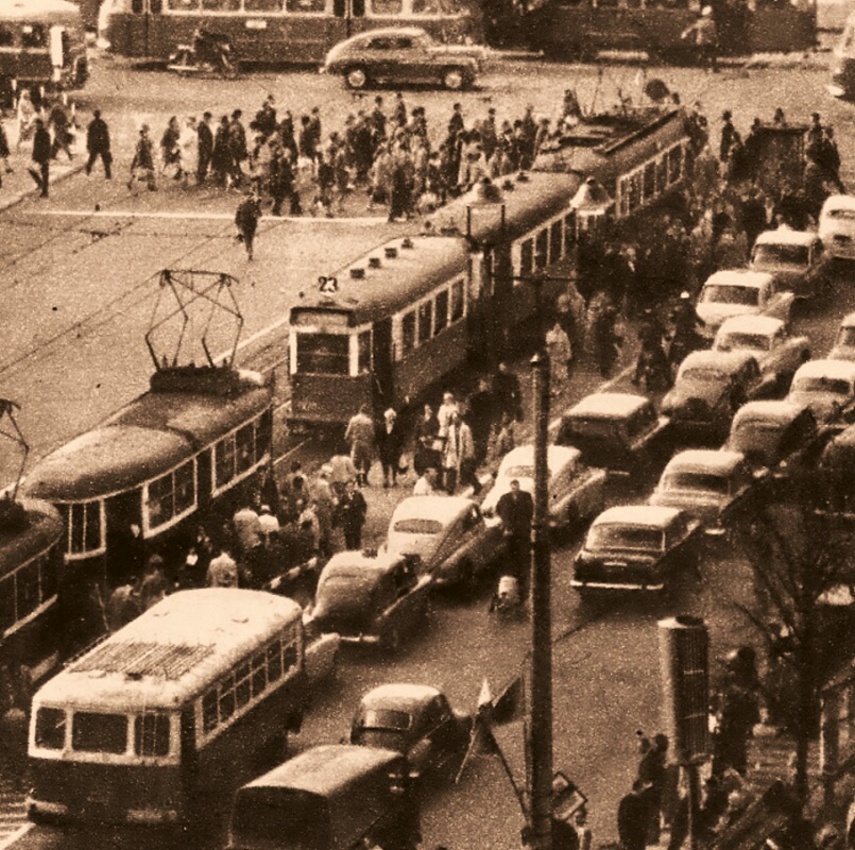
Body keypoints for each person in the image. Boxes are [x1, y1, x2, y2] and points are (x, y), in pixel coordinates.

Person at [496, 479, 533, 591]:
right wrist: (506, 523)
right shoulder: (504, 498)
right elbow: (499, 510)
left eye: (516, 487)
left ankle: (522, 575)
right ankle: (513, 573)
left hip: (522, 529)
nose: (514, 489)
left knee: (523, 551)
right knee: (510, 552)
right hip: (510, 530)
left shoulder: (526, 496)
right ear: (510, 487)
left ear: (519, 487)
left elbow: (530, 510)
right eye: (513, 487)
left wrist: (525, 522)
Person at [345, 404, 376, 487]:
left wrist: (350, 440)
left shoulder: (353, 420)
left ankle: (358, 479)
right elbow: (372, 434)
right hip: (366, 443)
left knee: (356, 462)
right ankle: (365, 478)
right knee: (367, 461)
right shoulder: (369, 421)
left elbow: (347, 434)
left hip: (356, 443)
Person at [681, 6, 718, 72]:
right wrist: (715, 39)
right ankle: (712, 68)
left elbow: (691, 28)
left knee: (706, 55)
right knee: (711, 54)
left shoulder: (701, 22)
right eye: (711, 13)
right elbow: (713, 33)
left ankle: (707, 68)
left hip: (702, 41)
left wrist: (685, 34)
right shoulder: (711, 23)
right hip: (707, 41)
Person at [617, 781, 650, 850]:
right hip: (637, 834)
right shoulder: (640, 801)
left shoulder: (625, 800)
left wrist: (622, 834)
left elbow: (621, 818)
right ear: (640, 788)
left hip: (628, 834)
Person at [376, 408, 404, 488]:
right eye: (389, 416)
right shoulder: (381, 426)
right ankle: (385, 479)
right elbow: (379, 438)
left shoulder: (398, 426)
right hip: (384, 448)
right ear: (386, 417)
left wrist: (400, 448)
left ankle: (394, 480)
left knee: (394, 464)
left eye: (392, 416)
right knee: (385, 464)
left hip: (394, 448)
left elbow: (401, 438)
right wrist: (379, 447)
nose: (390, 418)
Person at [336, 478, 367, 550]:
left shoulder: (358, 495)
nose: (350, 488)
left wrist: (362, 513)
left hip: (356, 519)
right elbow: (339, 508)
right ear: (345, 488)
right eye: (348, 487)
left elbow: (363, 505)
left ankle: (357, 550)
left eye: (351, 486)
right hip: (347, 520)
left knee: (357, 537)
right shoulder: (343, 496)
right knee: (348, 537)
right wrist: (344, 508)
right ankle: (349, 552)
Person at [545, 320, 572, 393]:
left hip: (561, 356)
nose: (557, 327)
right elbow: (547, 344)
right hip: (553, 356)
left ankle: (561, 388)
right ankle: (554, 388)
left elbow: (567, 345)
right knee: (553, 373)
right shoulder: (549, 334)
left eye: (558, 326)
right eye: (556, 326)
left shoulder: (563, 334)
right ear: (553, 327)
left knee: (561, 374)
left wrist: (568, 353)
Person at [235, 189, 262, 260]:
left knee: (250, 238)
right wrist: (238, 224)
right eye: (247, 196)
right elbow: (238, 215)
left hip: (252, 224)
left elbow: (259, 214)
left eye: (250, 196)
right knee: (247, 238)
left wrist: (256, 215)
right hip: (244, 224)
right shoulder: (241, 205)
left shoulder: (254, 205)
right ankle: (249, 251)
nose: (248, 198)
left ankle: (249, 250)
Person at [129, 124, 156, 191]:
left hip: (144, 159)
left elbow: (150, 147)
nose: (147, 134)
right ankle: (150, 186)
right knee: (145, 173)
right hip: (144, 159)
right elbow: (143, 152)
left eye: (147, 132)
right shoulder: (142, 141)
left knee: (147, 173)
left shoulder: (146, 140)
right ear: (142, 133)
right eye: (145, 132)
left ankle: (151, 186)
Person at [85, 109, 111, 179]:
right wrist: (107, 144)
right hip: (101, 143)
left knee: (92, 158)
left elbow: (89, 136)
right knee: (105, 160)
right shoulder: (102, 123)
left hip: (94, 144)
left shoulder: (92, 124)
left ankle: (88, 170)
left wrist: (88, 144)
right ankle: (108, 174)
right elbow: (106, 135)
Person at [28, 117, 51, 198]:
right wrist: (34, 155)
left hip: (43, 157)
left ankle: (45, 191)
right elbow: (36, 146)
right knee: (31, 169)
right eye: (36, 125)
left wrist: (46, 157)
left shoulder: (45, 134)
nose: (37, 126)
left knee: (45, 174)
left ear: (41, 125)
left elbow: (47, 146)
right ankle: (40, 184)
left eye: (38, 125)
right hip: (37, 156)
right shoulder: (37, 133)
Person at [197, 111, 214, 183]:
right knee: (204, 162)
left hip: (203, 147)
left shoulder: (201, 126)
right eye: (209, 119)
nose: (210, 120)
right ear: (207, 118)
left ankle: (200, 177)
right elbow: (206, 139)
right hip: (205, 148)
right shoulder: (204, 127)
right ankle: (201, 178)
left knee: (202, 162)